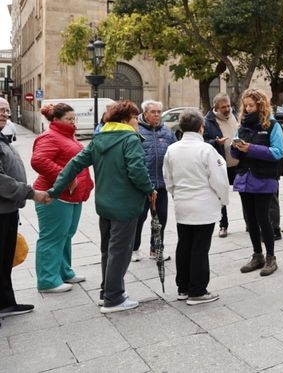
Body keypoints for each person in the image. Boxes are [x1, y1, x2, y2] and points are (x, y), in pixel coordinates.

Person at [48, 100, 156, 314]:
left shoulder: (99, 139)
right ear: (126, 120)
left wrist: (55, 190)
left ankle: (107, 291)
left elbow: (74, 164)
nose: (137, 121)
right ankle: (113, 298)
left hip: (104, 204)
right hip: (125, 205)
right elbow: (137, 170)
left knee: (108, 250)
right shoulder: (130, 139)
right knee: (121, 251)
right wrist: (149, 189)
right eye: (135, 117)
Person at [164, 109, 229, 305]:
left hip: (183, 204)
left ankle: (183, 287)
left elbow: (168, 178)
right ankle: (198, 290)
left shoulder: (172, 149)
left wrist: (176, 194)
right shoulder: (206, 150)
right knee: (200, 247)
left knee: (184, 244)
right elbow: (219, 180)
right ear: (201, 128)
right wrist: (223, 200)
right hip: (204, 205)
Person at [31, 103, 94, 293]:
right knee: (52, 238)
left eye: (74, 119)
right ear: (56, 120)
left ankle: (64, 271)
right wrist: (65, 178)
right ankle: (48, 280)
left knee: (65, 236)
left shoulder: (67, 135)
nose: (73, 122)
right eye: (69, 119)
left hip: (71, 196)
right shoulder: (49, 137)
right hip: (53, 196)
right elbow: (38, 160)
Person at [0, 98, 51, 323]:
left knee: (5, 258)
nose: (5, 114)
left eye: (6, 110)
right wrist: (31, 193)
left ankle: (5, 303)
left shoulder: (3, 138)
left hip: (8, 210)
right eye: (0, 110)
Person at [231, 88, 283, 277]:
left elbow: (278, 152)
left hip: (263, 179)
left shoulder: (272, 125)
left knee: (263, 219)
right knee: (250, 220)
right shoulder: (242, 126)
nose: (247, 109)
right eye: (245, 106)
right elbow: (235, 155)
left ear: (260, 105)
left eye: (251, 105)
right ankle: (257, 255)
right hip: (245, 178)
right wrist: (235, 147)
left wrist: (251, 148)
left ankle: (271, 257)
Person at [132, 100, 176, 262]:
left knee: (160, 218)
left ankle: (156, 249)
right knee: (139, 218)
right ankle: (134, 249)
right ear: (144, 113)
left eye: (159, 111)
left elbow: (174, 152)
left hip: (162, 184)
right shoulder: (136, 131)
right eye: (153, 112)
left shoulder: (167, 131)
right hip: (142, 185)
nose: (157, 114)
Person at [203, 93, 238, 238]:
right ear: (216, 108)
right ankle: (223, 225)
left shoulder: (236, 115)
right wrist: (215, 142)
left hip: (238, 163)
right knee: (221, 196)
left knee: (247, 193)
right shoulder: (207, 121)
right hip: (220, 165)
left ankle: (250, 223)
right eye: (223, 107)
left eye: (228, 106)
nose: (227, 109)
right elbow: (203, 142)